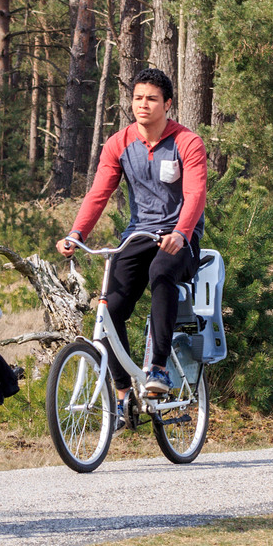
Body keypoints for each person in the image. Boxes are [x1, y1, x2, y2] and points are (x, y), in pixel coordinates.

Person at [55, 67, 208, 427]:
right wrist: (77, 234)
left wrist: (182, 232)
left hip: (179, 238)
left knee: (161, 273)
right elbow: (99, 193)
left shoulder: (187, 142)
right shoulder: (119, 143)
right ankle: (124, 394)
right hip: (138, 236)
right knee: (110, 309)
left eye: (152, 99)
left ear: (167, 104)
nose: (143, 104)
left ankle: (157, 368)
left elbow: (195, 194)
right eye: (138, 98)